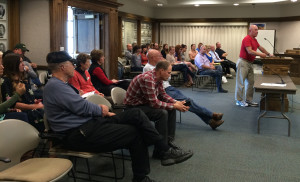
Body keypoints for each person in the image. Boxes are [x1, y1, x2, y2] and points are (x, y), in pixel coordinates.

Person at [44, 51, 193, 182]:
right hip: (79, 133)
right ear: (63, 67)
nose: (74, 66)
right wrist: (100, 109)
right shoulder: (56, 86)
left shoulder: (61, 85)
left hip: (90, 124)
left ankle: (164, 150)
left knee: (136, 114)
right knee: (135, 133)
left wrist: (101, 111)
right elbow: (81, 106)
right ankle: (149, 168)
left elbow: (78, 105)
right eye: (72, 63)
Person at [124, 60, 193, 159]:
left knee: (170, 108)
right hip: (132, 109)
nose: (169, 76)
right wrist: (174, 105)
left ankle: (167, 143)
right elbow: (154, 103)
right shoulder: (148, 78)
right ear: (161, 70)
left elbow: (162, 94)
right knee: (162, 113)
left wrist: (175, 102)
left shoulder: (158, 78)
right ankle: (161, 151)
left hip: (143, 105)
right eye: (168, 72)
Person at [144, 49, 224, 130]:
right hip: (163, 90)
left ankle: (211, 121)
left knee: (188, 102)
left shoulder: (158, 66)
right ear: (153, 57)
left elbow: (168, 78)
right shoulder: (148, 68)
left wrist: (166, 71)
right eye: (159, 56)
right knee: (188, 102)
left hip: (168, 88)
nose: (161, 57)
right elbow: (163, 80)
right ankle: (211, 115)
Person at [1, 53, 44, 131]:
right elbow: (13, 104)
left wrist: (35, 101)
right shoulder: (6, 81)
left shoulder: (24, 80)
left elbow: (30, 97)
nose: (23, 64)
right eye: (20, 62)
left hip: (30, 107)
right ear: (13, 65)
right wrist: (34, 106)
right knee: (40, 114)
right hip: (23, 110)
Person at [235, 25, 273, 107]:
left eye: (257, 30)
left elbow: (261, 48)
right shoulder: (247, 39)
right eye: (255, 30)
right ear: (250, 30)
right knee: (241, 83)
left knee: (250, 82)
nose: (257, 31)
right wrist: (261, 55)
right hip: (243, 62)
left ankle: (249, 100)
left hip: (249, 63)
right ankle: (239, 100)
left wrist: (269, 54)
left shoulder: (254, 40)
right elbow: (250, 51)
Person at [0, 51, 28, 122]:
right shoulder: (4, 81)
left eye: (2, 63)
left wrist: (10, 110)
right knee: (23, 116)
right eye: (0, 64)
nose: (2, 66)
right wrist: (17, 94)